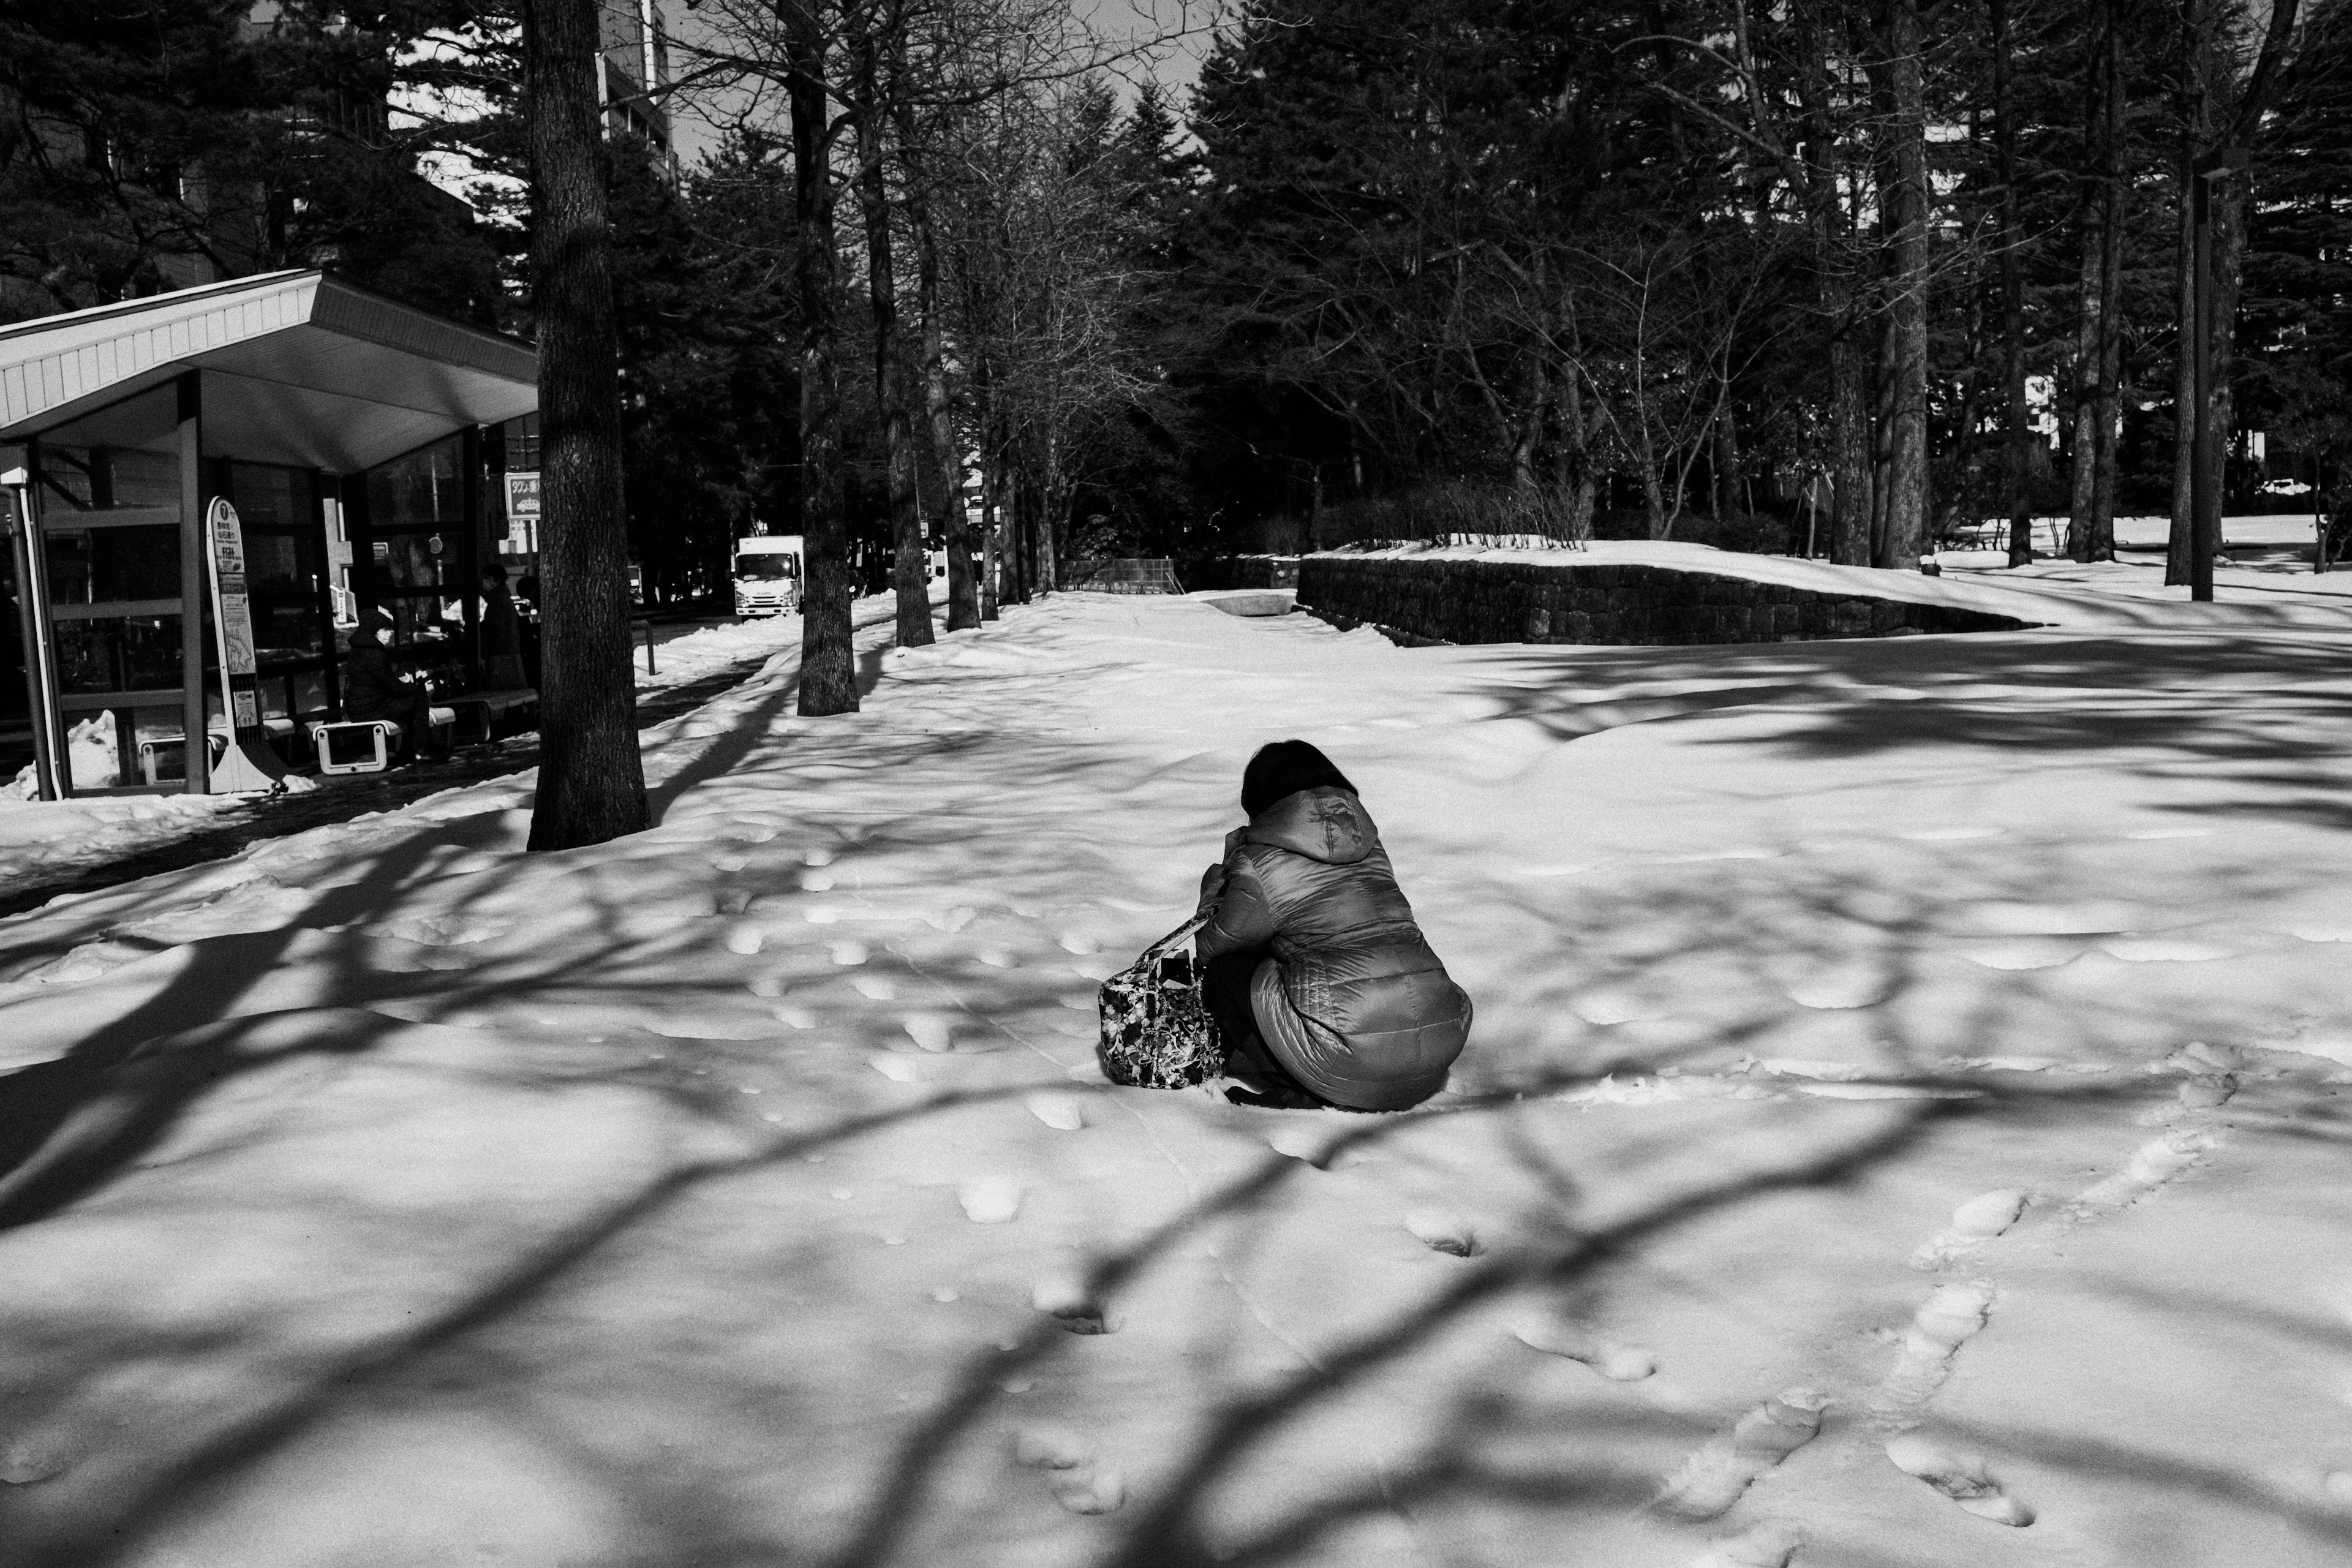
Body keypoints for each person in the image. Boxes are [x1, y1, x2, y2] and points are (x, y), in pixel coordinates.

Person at [1193, 740, 1472, 1111]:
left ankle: (1297, 1082)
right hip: (1441, 1041)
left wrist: (1215, 890)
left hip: (1355, 1062)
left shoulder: (1261, 860)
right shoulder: (1369, 846)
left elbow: (1215, 947)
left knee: (1226, 973)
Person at [339, 624, 445, 762]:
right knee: (418, 700)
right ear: (374, 632)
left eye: (389, 629)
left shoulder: (360, 652)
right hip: (369, 710)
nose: (389, 634)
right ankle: (420, 749)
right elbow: (389, 685)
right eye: (384, 630)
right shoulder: (374, 654)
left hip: (364, 708)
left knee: (409, 703)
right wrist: (413, 689)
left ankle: (410, 748)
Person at [479, 564, 527, 689]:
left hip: (502, 656)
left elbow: (497, 629)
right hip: (507, 653)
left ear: (497, 580)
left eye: (487, 578)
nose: (484, 582)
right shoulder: (501, 598)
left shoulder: (498, 601)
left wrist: (489, 649)